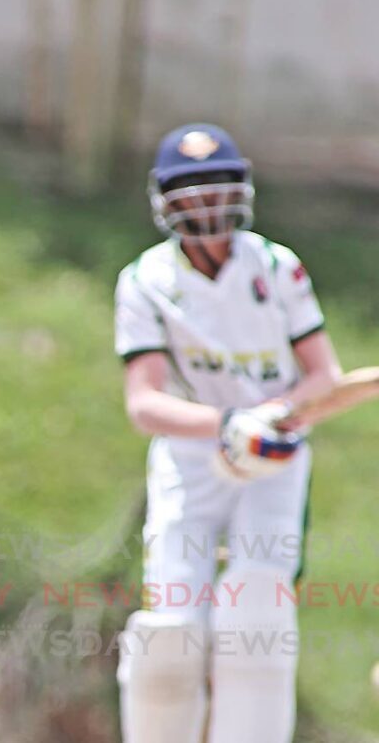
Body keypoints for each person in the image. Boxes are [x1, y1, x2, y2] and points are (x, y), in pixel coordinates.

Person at [113, 124, 342, 743]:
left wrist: (270, 419)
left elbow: (325, 375)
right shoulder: (144, 280)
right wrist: (225, 424)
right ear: (167, 201)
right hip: (191, 459)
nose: (208, 206)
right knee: (169, 633)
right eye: (192, 193)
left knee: (256, 619)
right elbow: (145, 403)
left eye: (218, 190)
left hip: (273, 456)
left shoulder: (276, 265)